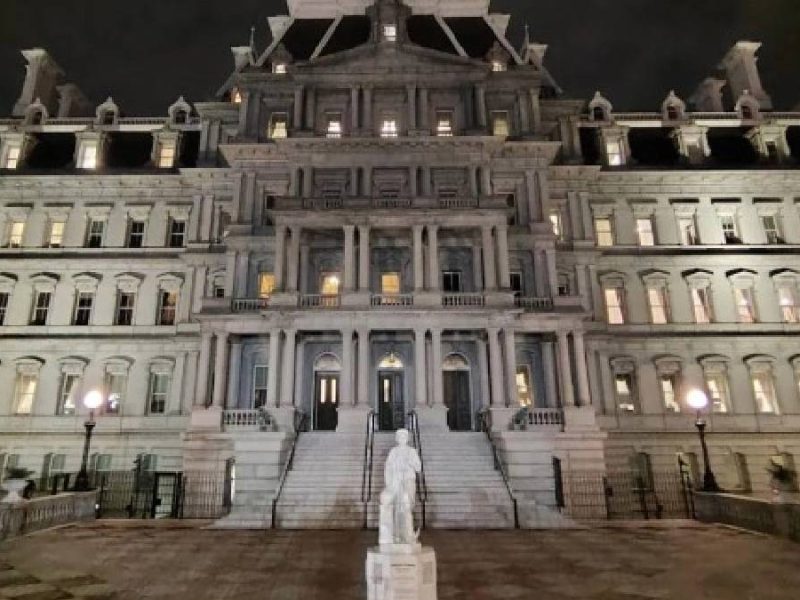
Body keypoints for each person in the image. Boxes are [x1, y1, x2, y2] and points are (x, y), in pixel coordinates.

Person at [380, 428, 422, 545]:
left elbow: (418, 468)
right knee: (398, 509)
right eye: (400, 436)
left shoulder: (412, 451)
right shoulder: (393, 452)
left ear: (407, 438)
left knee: (407, 508)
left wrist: (411, 462)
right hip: (396, 482)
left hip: (408, 481)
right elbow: (387, 467)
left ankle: (408, 535)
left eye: (404, 436)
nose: (402, 438)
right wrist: (389, 483)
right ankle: (397, 535)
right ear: (397, 438)